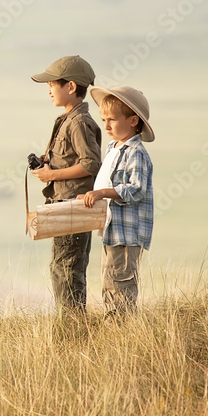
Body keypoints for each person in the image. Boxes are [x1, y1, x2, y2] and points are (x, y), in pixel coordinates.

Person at [30, 56, 103, 313]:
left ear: (70, 87)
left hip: (74, 204)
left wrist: (52, 176)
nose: (49, 90)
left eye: (52, 84)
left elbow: (90, 164)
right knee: (61, 266)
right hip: (65, 203)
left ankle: (71, 328)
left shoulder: (79, 122)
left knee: (68, 268)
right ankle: (70, 325)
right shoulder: (67, 119)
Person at [78, 86, 154, 315]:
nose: (106, 126)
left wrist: (102, 193)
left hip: (127, 233)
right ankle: (114, 325)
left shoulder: (136, 153)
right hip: (112, 229)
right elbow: (106, 181)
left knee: (121, 281)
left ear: (133, 120)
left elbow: (136, 189)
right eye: (104, 120)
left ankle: (122, 325)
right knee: (109, 278)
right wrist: (94, 194)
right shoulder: (113, 148)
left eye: (112, 119)